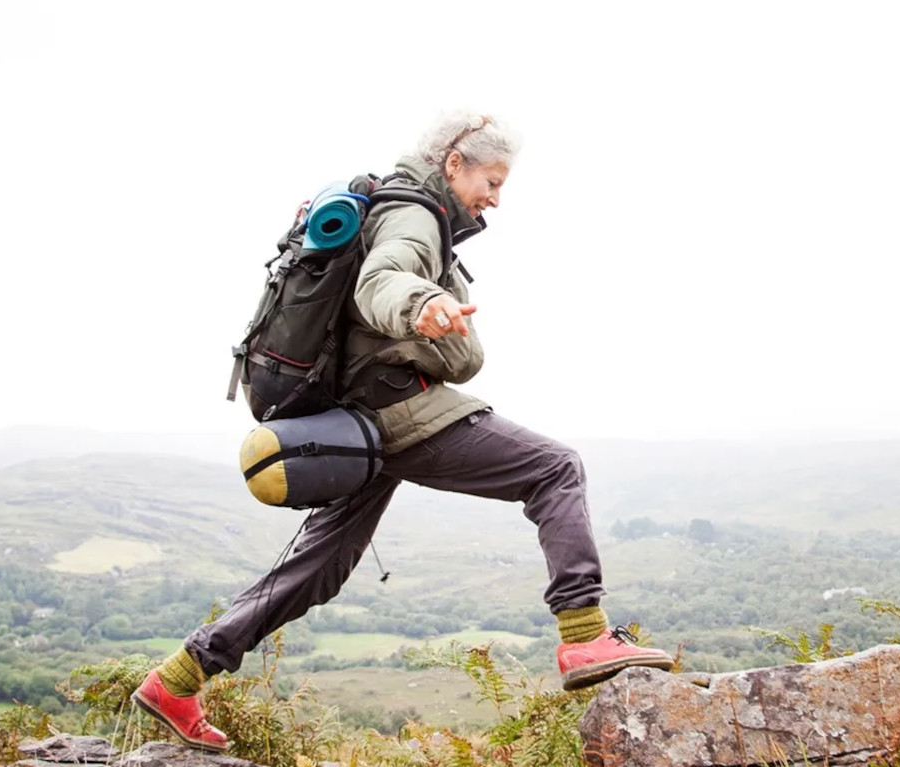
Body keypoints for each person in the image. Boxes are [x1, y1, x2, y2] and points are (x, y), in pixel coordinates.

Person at [131, 112, 674, 752]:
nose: (496, 197)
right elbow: (383, 279)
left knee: (319, 569)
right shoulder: (415, 216)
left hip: (358, 426)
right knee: (554, 469)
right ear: (453, 164)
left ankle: (179, 678)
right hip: (400, 416)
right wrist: (421, 304)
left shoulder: (397, 205)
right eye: (492, 180)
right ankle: (585, 636)